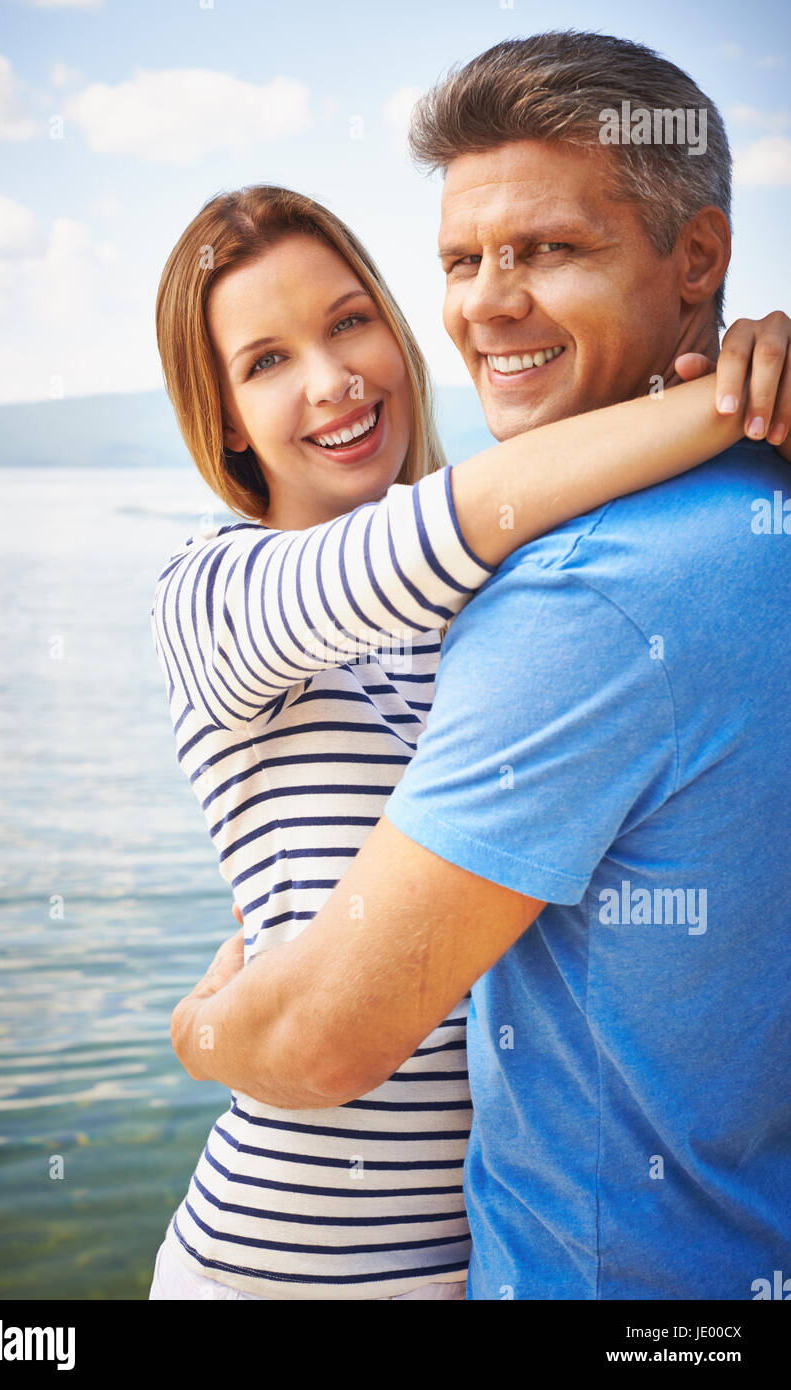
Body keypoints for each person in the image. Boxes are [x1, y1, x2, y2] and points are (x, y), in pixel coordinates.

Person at [168, 33, 791, 1301]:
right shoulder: (215, 591)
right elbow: (465, 510)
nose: (334, 380)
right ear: (221, 416)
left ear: (700, 257)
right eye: (266, 361)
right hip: (287, 1261)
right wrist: (733, 398)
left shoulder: (537, 600)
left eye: (351, 323)